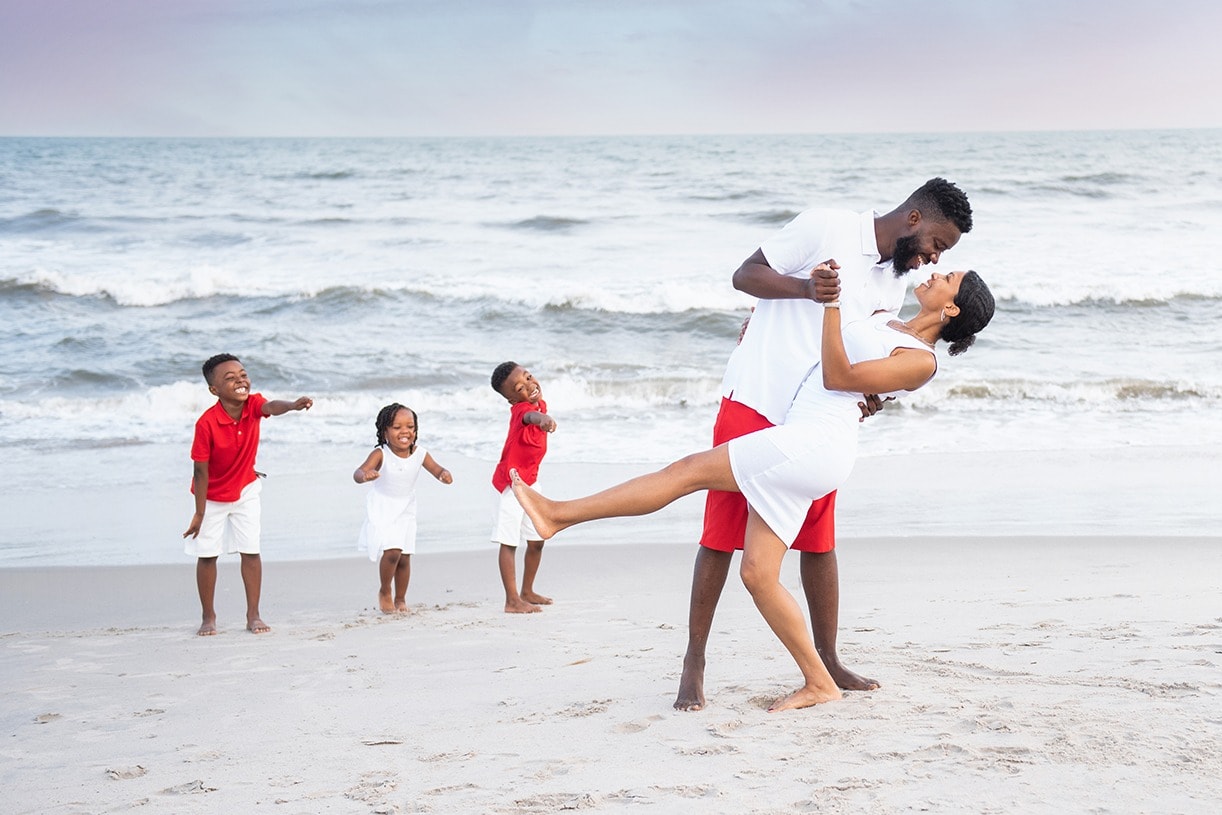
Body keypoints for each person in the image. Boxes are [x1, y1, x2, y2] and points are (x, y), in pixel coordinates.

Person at [512, 265, 995, 712]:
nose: (936, 272)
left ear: (951, 308)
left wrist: (830, 306)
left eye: (948, 277)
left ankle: (558, 515)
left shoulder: (921, 361)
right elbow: (828, 356)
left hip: (811, 444)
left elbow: (839, 375)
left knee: (686, 471)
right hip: (807, 444)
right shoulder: (890, 323)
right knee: (759, 574)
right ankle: (819, 682)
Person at [678, 178, 975, 711]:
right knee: (721, 534)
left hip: (816, 423)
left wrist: (874, 395)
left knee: (818, 539)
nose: (934, 257)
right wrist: (805, 290)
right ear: (914, 219)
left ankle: (828, 658)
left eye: (944, 254)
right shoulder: (827, 227)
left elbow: (877, 354)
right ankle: (694, 660)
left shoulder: (895, 283)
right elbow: (744, 275)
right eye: (938, 243)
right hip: (760, 395)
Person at [182, 353, 313, 636]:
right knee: (207, 555)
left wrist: (291, 405)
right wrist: (199, 512)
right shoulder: (206, 423)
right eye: (230, 378)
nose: (240, 381)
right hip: (212, 497)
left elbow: (271, 406)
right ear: (214, 390)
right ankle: (208, 616)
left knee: (251, 550)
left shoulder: (253, 405)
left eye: (242, 375)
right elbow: (200, 472)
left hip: (245, 490)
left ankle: (253, 615)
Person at [353, 403, 453, 613]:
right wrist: (365, 476)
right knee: (392, 552)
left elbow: (436, 469)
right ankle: (385, 591)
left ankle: (400, 599)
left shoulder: (420, 453)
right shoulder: (381, 454)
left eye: (409, 426)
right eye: (397, 427)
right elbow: (359, 472)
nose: (405, 431)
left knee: (405, 557)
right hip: (384, 507)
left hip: (407, 508)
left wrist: (443, 474)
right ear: (385, 432)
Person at [489, 361, 558, 614]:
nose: (529, 385)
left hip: (531, 481)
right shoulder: (522, 411)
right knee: (508, 542)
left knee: (537, 539)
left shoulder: (540, 404)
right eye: (519, 387)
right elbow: (530, 417)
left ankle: (527, 590)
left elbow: (537, 412)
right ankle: (512, 600)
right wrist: (542, 419)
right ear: (511, 399)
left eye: (529, 377)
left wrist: (543, 415)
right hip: (512, 484)